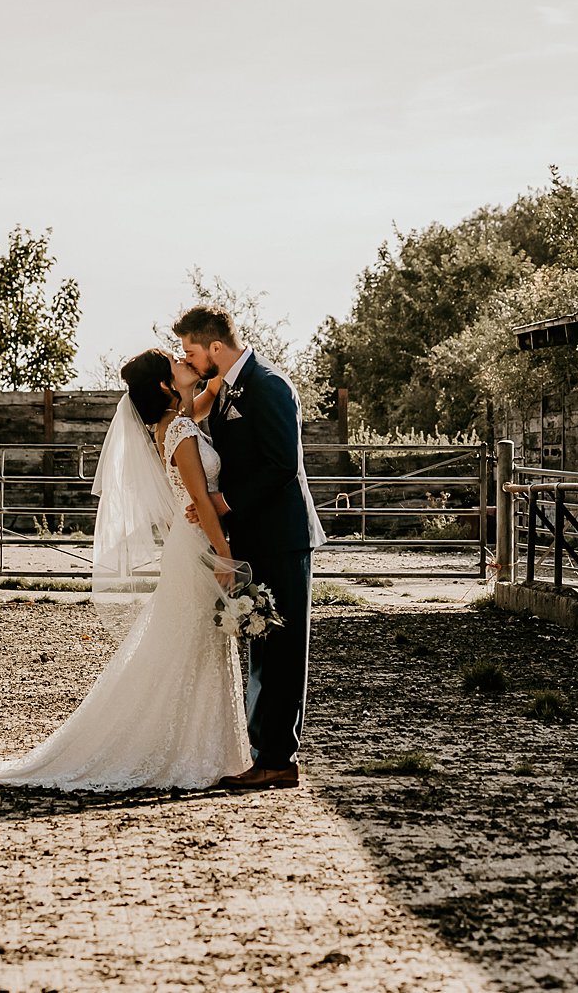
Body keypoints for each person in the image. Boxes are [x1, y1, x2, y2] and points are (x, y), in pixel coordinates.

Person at [0, 349, 250, 792]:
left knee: (192, 642)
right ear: (166, 386)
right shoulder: (180, 429)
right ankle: (189, 750)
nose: (184, 363)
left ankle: (205, 746)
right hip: (199, 548)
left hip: (188, 545)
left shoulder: (175, 420)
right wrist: (223, 557)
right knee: (192, 642)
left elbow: (204, 395)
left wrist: (217, 373)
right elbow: (201, 502)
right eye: (177, 364)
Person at [174, 304, 325, 790]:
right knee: (262, 643)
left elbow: (282, 465)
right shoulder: (225, 389)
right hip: (254, 536)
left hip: (282, 537)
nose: (189, 359)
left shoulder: (271, 385)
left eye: (191, 351)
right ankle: (267, 752)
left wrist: (222, 500)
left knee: (282, 648)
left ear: (215, 347)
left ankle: (278, 758)